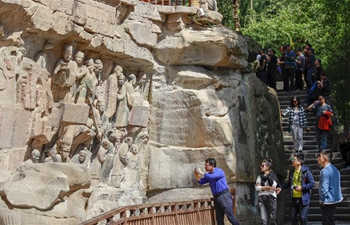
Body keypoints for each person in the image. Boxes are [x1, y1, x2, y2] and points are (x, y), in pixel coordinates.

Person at [195, 158, 240, 225]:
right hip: (217, 197)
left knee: (230, 217)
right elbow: (201, 182)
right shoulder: (209, 174)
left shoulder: (219, 171)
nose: (205, 167)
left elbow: (212, 177)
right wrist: (196, 174)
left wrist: (201, 172)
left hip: (224, 196)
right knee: (219, 219)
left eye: (206, 165)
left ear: (212, 166)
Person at [282, 153, 315, 225]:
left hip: (303, 199)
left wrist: (302, 187)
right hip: (294, 198)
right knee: (292, 217)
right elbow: (289, 184)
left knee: (303, 218)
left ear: (299, 161)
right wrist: (280, 187)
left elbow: (312, 183)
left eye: (294, 159)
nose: (292, 160)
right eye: (292, 159)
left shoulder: (306, 172)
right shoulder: (292, 171)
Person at [318, 150, 343, 225]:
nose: (318, 158)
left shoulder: (325, 171)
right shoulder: (335, 169)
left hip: (327, 200)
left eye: (320, 156)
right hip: (335, 198)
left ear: (324, 159)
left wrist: (322, 199)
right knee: (330, 220)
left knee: (327, 221)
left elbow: (324, 188)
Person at [255, 159, 280, 225]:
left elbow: (273, 188)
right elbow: (257, 188)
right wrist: (268, 187)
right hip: (262, 198)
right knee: (263, 220)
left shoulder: (273, 176)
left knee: (272, 219)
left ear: (267, 167)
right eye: (261, 165)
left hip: (271, 198)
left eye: (263, 166)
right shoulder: (259, 177)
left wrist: (262, 187)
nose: (261, 167)